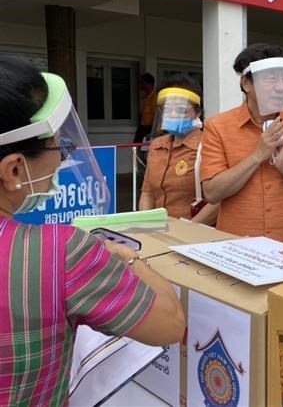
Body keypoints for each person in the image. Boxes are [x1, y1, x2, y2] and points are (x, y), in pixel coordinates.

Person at [0, 57, 185, 405]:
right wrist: (124, 257)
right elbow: (171, 324)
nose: (62, 160)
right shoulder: (61, 252)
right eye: (59, 147)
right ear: (13, 170)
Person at [201, 44, 283, 249]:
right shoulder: (218, 127)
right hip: (237, 246)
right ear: (246, 83)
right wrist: (256, 156)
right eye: (271, 79)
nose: (281, 87)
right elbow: (212, 192)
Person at [139, 73, 218, 224]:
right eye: (168, 109)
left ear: (197, 112)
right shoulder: (157, 145)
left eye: (181, 109)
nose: (173, 114)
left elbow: (219, 200)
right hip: (158, 232)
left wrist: (187, 230)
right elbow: (147, 192)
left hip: (195, 234)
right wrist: (147, 224)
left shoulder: (209, 144)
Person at [134, 72, 157, 145]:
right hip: (142, 128)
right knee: (136, 147)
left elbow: (156, 116)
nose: (140, 85)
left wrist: (151, 133)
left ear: (148, 84)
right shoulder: (145, 97)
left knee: (145, 151)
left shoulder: (154, 97)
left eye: (142, 82)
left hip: (150, 129)